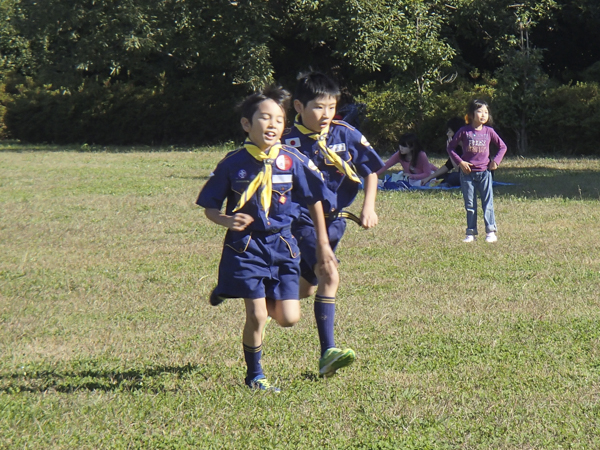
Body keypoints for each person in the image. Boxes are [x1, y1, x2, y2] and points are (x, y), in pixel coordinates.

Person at [196, 86, 336, 392]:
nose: (273, 124)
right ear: (247, 124)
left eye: (280, 119)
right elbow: (209, 206)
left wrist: (323, 244)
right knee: (258, 315)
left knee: (288, 318)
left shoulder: (291, 160)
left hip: (284, 247)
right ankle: (255, 375)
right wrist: (225, 219)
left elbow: (315, 198)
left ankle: (229, 287)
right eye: (265, 118)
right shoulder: (233, 163)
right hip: (245, 247)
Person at [282, 71, 384, 377]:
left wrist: (369, 207)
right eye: (318, 107)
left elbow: (371, 170)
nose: (326, 114)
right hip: (300, 221)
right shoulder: (286, 140)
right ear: (298, 106)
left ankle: (269, 296)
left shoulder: (345, 133)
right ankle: (328, 353)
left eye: (331, 106)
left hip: (336, 221)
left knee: (305, 290)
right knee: (330, 273)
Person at [447, 99, 507, 243]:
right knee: (470, 205)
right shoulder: (464, 131)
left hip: (485, 173)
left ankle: (491, 231)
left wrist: (496, 162)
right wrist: (460, 162)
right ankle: (471, 232)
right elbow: (451, 148)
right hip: (467, 174)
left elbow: (502, 147)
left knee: (488, 203)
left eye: (486, 112)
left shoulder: (489, 131)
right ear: (471, 114)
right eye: (479, 111)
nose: (483, 115)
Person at [421, 117, 466, 187]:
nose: (447, 134)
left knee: (453, 177)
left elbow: (458, 169)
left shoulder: (468, 147)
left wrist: (450, 151)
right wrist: (429, 177)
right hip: (461, 175)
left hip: (470, 177)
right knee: (441, 176)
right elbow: (448, 165)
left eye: (450, 132)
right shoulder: (458, 147)